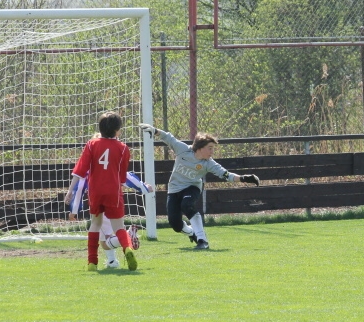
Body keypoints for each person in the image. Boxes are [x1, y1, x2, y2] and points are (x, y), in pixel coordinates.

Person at [138, 124, 260, 249]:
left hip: (193, 187)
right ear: (200, 147)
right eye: (210, 148)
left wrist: (244, 178)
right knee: (175, 225)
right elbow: (168, 138)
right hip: (174, 189)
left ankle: (202, 241)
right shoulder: (183, 149)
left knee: (187, 205)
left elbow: (226, 175)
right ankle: (192, 233)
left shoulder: (209, 163)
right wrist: (155, 131)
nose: (212, 152)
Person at [64, 111, 138, 271]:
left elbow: (80, 170)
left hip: (95, 191)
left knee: (95, 224)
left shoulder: (92, 144)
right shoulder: (123, 148)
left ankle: (92, 262)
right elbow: (122, 175)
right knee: (118, 226)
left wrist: (70, 191)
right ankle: (127, 248)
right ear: (118, 130)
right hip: (113, 190)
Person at [69, 169, 153, 268]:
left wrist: (74, 210)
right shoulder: (112, 164)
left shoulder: (90, 167)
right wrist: (144, 187)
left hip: (99, 203)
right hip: (116, 200)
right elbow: (127, 176)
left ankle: (128, 237)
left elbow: (79, 188)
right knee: (114, 231)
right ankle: (112, 261)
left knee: (104, 242)